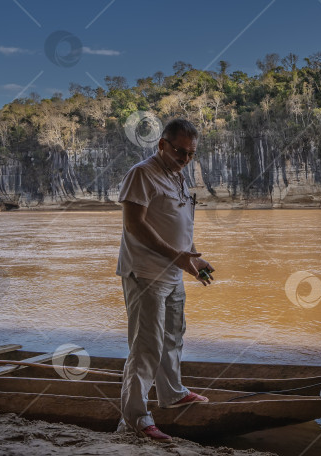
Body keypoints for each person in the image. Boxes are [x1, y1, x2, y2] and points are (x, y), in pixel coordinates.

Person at [115, 118, 214, 442]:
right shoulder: (142, 173)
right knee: (146, 346)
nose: (185, 158)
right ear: (161, 144)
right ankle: (136, 417)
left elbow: (180, 226)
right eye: (179, 152)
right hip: (145, 273)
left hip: (174, 272)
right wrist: (178, 257)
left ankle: (172, 393)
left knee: (173, 335)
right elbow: (135, 225)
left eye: (190, 154)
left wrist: (193, 258)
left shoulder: (179, 178)